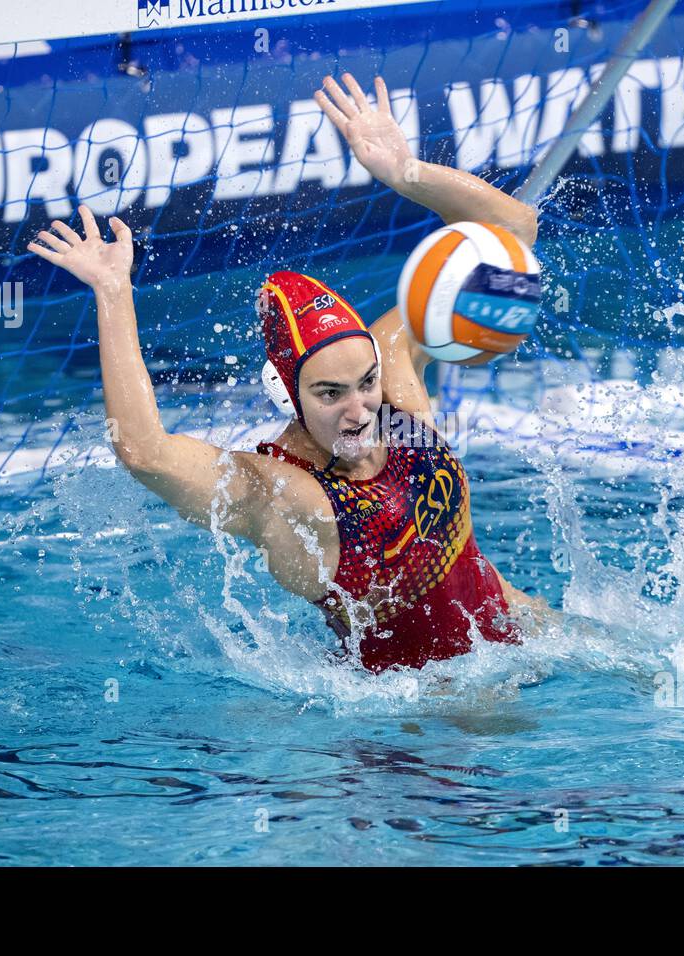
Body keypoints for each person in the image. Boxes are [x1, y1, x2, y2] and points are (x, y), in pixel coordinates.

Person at [28, 73, 553, 672]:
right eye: (330, 393)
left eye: (365, 382)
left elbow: (512, 238)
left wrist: (406, 171)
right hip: (427, 721)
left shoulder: (394, 388)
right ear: (287, 394)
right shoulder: (290, 495)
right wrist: (113, 292)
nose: (359, 411)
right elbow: (146, 452)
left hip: (529, 634)